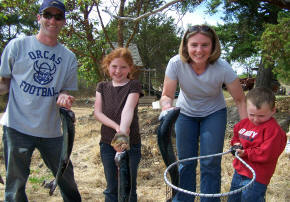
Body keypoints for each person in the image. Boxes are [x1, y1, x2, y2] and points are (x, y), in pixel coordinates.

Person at [0, 0, 82, 201]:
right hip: (16, 128)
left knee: (67, 180)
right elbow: (4, 84)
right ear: (39, 18)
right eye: (48, 15)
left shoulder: (69, 57)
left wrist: (64, 96)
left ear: (63, 22)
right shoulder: (17, 46)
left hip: (51, 131)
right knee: (15, 186)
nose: (52, 20)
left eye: (58, 16)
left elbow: (66, 91)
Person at [160, 24, 247, 202]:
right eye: (194, 45)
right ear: (186, 46)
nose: (199, 50)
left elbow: (240, 100)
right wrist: (166, 109)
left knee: (210, 162)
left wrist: (246, 132)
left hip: (214, 113)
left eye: (205, 45)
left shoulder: (222, 67)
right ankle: (184, 199)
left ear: (213, 46)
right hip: (185, 113)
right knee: (186, 161)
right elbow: (167, 95)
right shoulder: (176, 63)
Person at [94, 47, 143, 202]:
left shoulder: (134, 85)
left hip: (130, 144)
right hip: (107, 144)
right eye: (114, 66)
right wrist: (118, 129)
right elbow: (98, 113)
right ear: (107, 66)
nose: (118, 71)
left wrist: (122, 137)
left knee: (128, 187)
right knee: (112, 187)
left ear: (130, 68)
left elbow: (128, 109)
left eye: (123, 67)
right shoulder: (102, 86)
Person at [228, 87, 287, 202]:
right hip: (239, 172)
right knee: (233, 199)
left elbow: (267, 153)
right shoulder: (244, 124)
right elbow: (236, 135)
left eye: (261, 116)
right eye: (252, 114)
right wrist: (236, 144)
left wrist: (245, 153)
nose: (255, 119)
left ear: (273, 111)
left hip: (257, 177)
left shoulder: (274, 131)